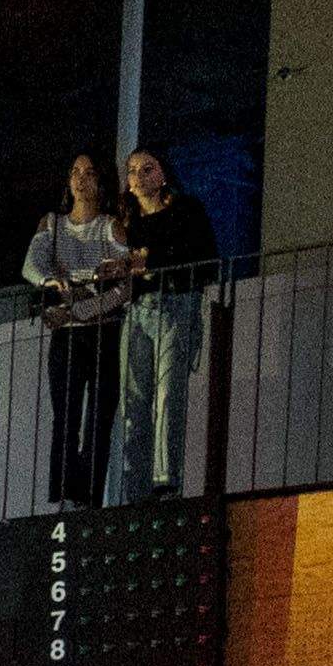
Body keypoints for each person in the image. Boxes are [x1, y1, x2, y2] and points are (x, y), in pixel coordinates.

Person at [108, 148, 221, 504]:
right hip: (139, 309)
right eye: (132, 171)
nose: (138, 177)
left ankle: (165, 480)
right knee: (135, 400)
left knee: (168, 394)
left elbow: (204, 257)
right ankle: (134, 488)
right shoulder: (127, 223)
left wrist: (150, 260)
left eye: (147, 169)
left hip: (177, 304)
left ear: (163, 175)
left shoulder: (185, 211)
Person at [24, 154, 134, 509]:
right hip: (68, 334)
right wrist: (50, 281)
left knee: (99, 417)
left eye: (89, 172)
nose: (80, 179)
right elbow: (31, 264)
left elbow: (123, 288)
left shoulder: (110, 226)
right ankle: (64, 495)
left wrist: (78, 306)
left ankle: (88, 497)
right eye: (74, 172)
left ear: (101, 182)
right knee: (66, 415)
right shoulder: (53, 224)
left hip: (103, 331)